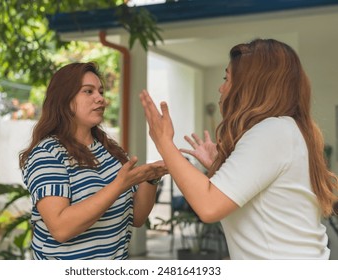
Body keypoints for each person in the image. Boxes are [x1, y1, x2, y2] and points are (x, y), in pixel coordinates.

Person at [140, 38, 338, 259]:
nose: (221, 87)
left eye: (227, 78)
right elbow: (257, 204)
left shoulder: (272, 131)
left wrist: (164, 142)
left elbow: (209, 206)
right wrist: (221, 166)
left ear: (251, 86)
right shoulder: (287, 130)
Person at [19, 62, 167, 260]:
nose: (100, 99)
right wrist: (119, 185)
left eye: (100, 91)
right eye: (88, 91)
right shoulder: (47, 153)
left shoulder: (110, 150)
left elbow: (138, 218)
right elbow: (61, 228)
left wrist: (151, 179)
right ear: (64, 99)